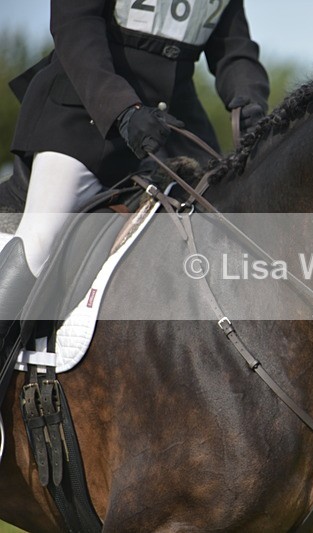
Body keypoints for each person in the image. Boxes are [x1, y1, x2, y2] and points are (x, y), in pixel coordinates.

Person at [0, 0, 270, 369]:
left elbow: (233, 48)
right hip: (85, 113)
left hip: (169, 125)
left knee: (232, 232)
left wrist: (251, 100)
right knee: (39, 241)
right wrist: (122, 109)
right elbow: (75, 26)